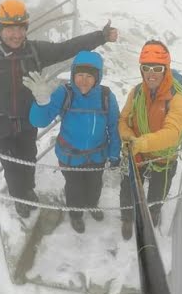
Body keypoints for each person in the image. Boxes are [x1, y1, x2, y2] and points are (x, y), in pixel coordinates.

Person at [0, 0, 118, 218]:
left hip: (28, 118)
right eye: (11, 29)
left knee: (28, 157)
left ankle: (28, 189)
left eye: (21, 29)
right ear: (0, 29)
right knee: (10, 165)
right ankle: (19, 197)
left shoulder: (35, 51)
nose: (17, 35)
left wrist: (101, 36)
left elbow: (66, 48)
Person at [25, 51, 121, 233]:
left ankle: (92, 205)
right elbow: (40, 121)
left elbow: (113, 127)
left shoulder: (106, 97)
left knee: (94, 185)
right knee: (74, 188)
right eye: (79, 75)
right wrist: (42, 102)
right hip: (70, 157)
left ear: (97, 77)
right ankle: (76, 214)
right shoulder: (65, 93)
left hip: (97, 156)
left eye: (89, 76)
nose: (83, 80)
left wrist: (115, 153)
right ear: (73, 75)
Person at [118, 40, 182, 240]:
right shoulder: (138, 92)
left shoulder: (178, 99)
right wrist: (129, 138)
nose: (151, 73)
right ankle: (127, 217)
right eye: (146, 68)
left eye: (157, 68)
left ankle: (153, 214)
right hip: (137, 151)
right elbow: (123, 120)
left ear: (166, 69)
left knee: (158, 193)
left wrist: (141, 143)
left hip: (162, 156)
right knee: (128, 187)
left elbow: (172, 133)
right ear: (141, 69)